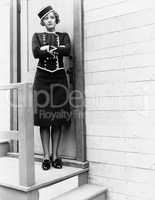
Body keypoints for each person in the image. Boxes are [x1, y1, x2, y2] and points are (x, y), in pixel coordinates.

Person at [32, 5, 71, 170]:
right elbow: (36, 52)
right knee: (44, 119)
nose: (49, 20)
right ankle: (46, 157)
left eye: (52, 17)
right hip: (42, 79)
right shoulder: (37, 36)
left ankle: (56, 156)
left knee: (58, 119)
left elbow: (67, 50)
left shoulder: (63, 36)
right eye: (46, 18)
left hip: (59, 78)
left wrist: (47, 49)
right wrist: (51, 50)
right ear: (43, 21)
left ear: (56, 19)